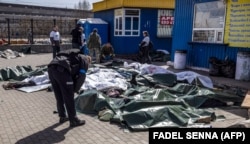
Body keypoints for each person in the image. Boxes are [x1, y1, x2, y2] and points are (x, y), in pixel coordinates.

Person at [47, 49, 91, 127]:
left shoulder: (73, 55)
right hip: (62, 70)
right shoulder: (84, 60)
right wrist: (74, 90)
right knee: (69, 97)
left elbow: (73, 73)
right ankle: (73, 120)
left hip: (51, 68)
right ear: (88, 60)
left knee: (59, 94)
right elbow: (81, 77)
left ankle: (62, 116)